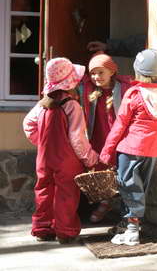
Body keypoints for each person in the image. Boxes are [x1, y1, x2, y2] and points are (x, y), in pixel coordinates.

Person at [100, 49, 157, 245]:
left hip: (131, 149)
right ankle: (127, 227)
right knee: (139, 189)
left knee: (128, 187)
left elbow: (120, 125)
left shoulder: (134, 94)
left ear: (138, 71)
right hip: (153, 152)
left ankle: (132, 231)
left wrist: (107, 151)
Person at [23, 57, 99, 244]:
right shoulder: (72, 105)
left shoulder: (42, 104)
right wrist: (91, 159)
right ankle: (65, 232)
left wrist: (42, 143)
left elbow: (28, 125)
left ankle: (42, 228)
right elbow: (77, 138)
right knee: (66, 194)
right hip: (67, 160)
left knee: (43, 190)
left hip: (45, 157)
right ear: (71, 82)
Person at [81, 51, 133, 223]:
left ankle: (111, 204)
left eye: (101, 72)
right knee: (102, 169)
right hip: (98, 136)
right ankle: (104, 201)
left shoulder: (123, 87)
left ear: (112, 71)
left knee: (118, 170)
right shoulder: (90, 88)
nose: (96, 77)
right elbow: (75, 76)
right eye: (93, 73)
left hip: (118, 136)